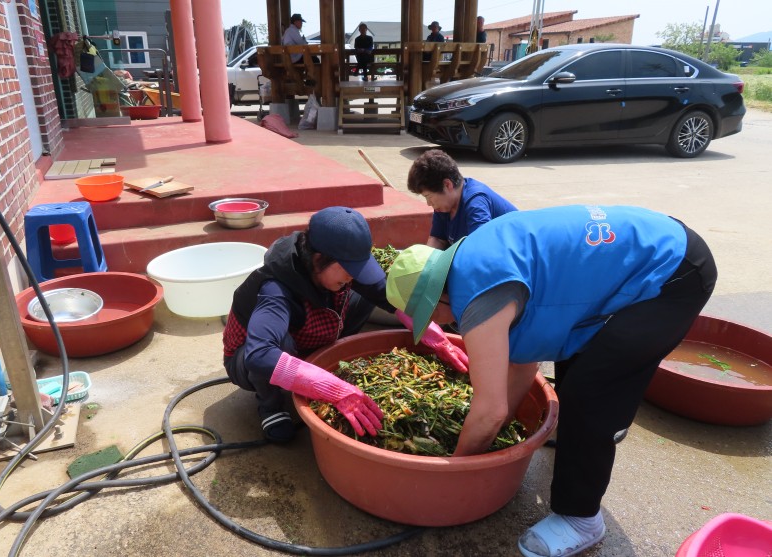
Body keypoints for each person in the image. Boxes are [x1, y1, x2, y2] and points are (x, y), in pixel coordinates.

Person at [385, 205, 717, 557]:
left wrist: (456, 468)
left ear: (437, 296)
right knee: (579, 367)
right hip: (656, 242)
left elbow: (489, 410)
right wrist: (502, 426)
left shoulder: (479, 296)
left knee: (589, 393)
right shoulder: (474, 259)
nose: (437, 322)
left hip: (672, 271)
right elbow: (522, 363)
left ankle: (581, 519)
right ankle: (588, 435)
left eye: (430, 314)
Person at [222, 206, 468, 443]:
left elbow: (383, 293)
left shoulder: (331, 266)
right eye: (348, 269)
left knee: (364, 298)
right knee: (280, 345)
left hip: (305, 334)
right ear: (319, 259)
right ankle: (270, 406)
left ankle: (316, 360)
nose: (353, 276)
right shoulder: (276, 289)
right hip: (248, 359)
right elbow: (260, 354)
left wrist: (430, 332)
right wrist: (330, 388)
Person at [408, 149, 517, 249]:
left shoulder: (475, 203)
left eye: (428, 196)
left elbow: (481, 249)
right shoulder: (444, 206)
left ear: (447, 185)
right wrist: (425, 261)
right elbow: (438, 239)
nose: (428, 203)